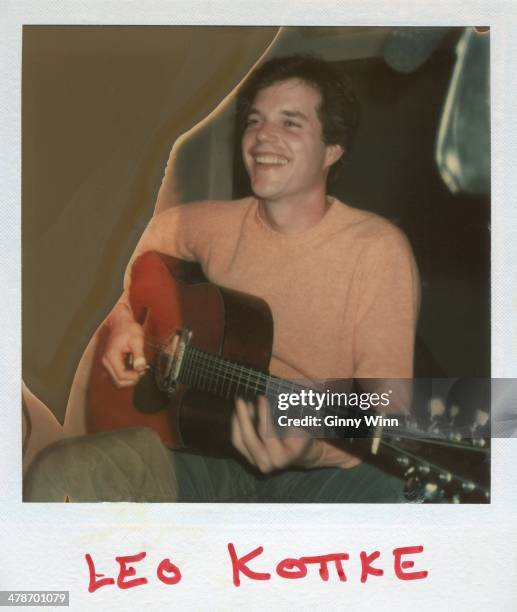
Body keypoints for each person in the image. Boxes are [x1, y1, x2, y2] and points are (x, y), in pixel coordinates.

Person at [24, 55, 419, 503]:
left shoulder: (377, 249)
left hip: (320, 473)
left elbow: (387, 409)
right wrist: (121, 322)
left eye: (290, 123)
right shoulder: (212, 225)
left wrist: (309, 449)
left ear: (333, 149)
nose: (262, 137)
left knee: (406, 502)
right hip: (208, 453)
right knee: (60, 473)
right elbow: (129, 245)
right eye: (255, 120)